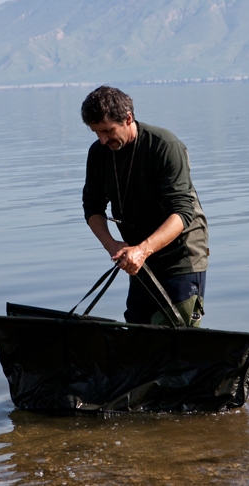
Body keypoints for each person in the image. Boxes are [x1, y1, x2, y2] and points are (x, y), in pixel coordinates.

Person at [81, 86, 208, 326]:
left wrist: (143, 249)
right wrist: (112, 245)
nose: (103, 140)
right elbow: (92, 207)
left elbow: (182, 212)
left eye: (108, 130)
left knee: (176, 334)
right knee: (138, 330)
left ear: (128, 118)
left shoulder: (164, 146)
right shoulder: (98, 153)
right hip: (138, 259)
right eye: (96, 132)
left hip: (180, 256)